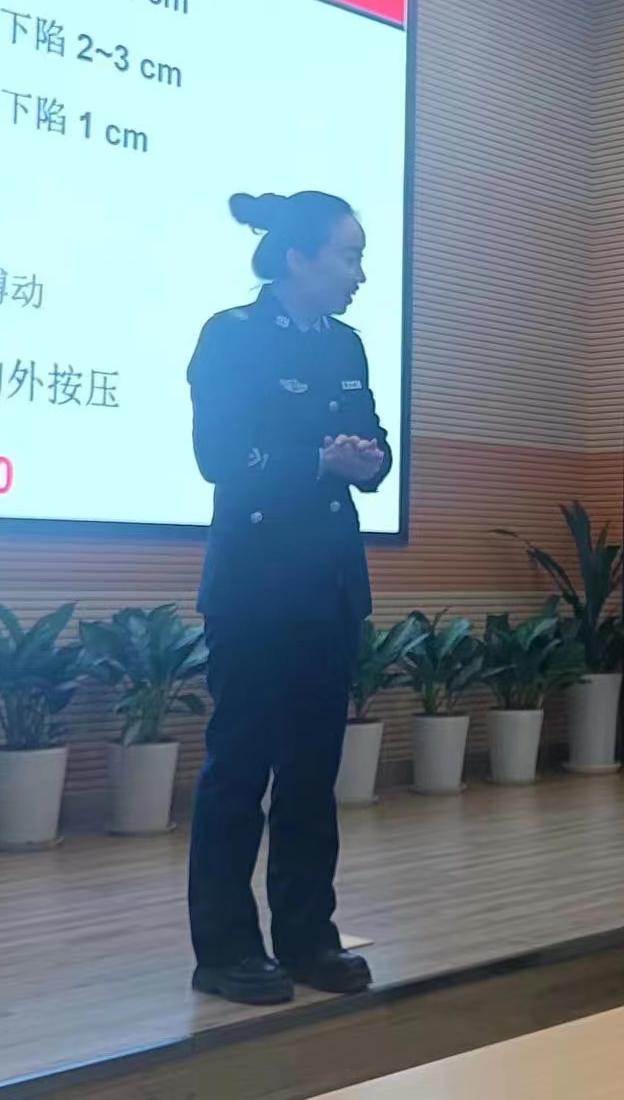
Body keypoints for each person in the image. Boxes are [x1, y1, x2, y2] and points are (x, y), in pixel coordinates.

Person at [185, 190, 391, 1006]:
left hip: (328, 587)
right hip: (254, 589)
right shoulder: (232, 336)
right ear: (298, 258)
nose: (360, 274)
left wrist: (367, 462)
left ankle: (308, 938)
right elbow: (219, 457)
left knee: (311, 777)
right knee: (239, 771)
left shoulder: (346, 345)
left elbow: (375, 449)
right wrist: (317, 461)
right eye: (349, 255)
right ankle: (225, 949)